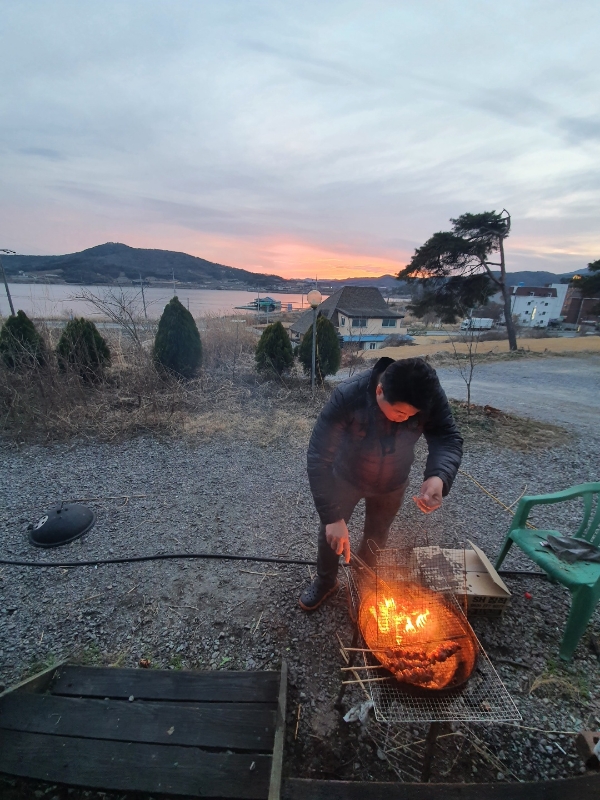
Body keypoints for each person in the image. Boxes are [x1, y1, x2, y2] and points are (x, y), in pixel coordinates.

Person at [299, 356, 463, 611]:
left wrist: (438, 476)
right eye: (399, 412)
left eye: (412, 416)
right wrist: (332, 517)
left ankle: (361, 583)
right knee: (331, 533)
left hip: (393, 482)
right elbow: (318, 457)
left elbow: (447, 436)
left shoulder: (427, 395)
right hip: (346, 476)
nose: (404, 418)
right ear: (379, 391)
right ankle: (325, 581)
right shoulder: (349, 395)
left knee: (377, 534)